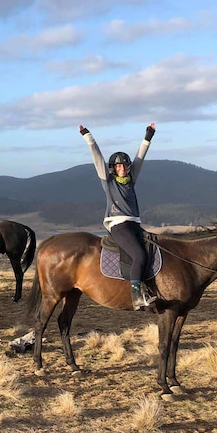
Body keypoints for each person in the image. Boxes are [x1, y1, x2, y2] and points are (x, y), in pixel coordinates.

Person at [79, 122, 157, 311]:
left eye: (124, 165)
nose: (122, 168)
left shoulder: (131, 179)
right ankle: (137, 296)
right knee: (138, 254)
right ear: (113, 168)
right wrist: (87, 136)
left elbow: (140, 157)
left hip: (135, 224)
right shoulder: (108, 181)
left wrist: (148, 136)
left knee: (153, 249)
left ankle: (151, 288)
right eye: (118, 165)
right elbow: (97, 158)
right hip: (118, 225)